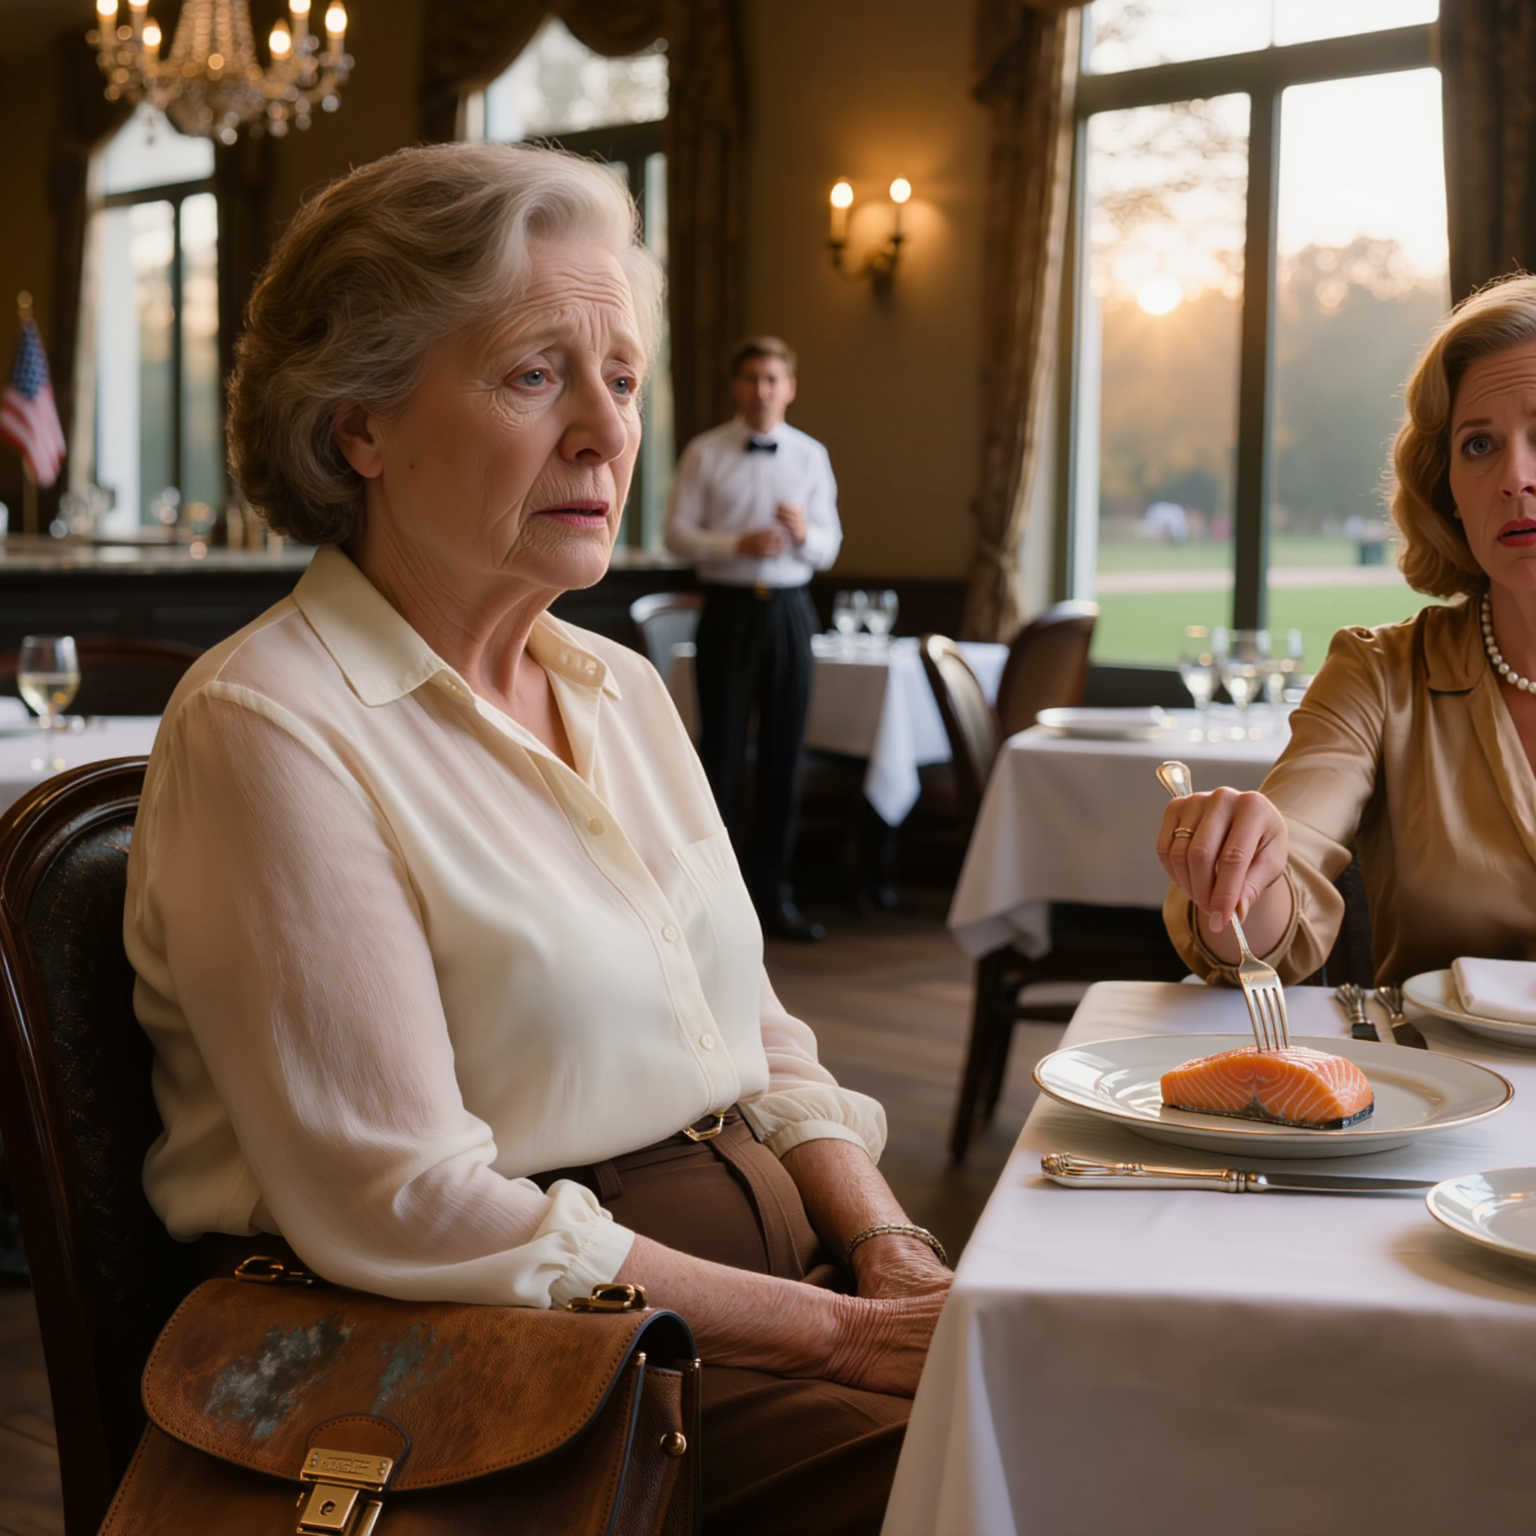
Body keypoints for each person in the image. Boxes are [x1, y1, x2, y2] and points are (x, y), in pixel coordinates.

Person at [124, 144, 948, 1536]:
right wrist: (847, 1344)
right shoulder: (267, 725)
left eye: (620, 377)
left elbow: (763, 1041)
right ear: (357, 427)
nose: (605, 432)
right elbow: (413, 1206)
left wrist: (889, 1247)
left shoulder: (615, 685)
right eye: (532, 374)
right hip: (530, 1372)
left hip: (760, 1300)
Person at [1156, 273, 1536, 985]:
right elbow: (1275, 905)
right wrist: (1240, 874)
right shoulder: (1379, 675)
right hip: (1442, 1090)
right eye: (1479, 446)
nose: (1516, 476)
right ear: (1447, 490)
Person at [665, 337, 842, 942]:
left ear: (789, 387)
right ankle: (716, 901)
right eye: (751, 378)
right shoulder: (704, 452)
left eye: (773, 379)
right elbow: (677, 535)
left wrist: (805, 537)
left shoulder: (812, 455)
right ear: (736, 386)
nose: (762, 389)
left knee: (783, 756)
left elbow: (830, 545)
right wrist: (731, 546)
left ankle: (774, 896)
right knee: (720, 757)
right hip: (728, 613)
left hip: (791, 611)